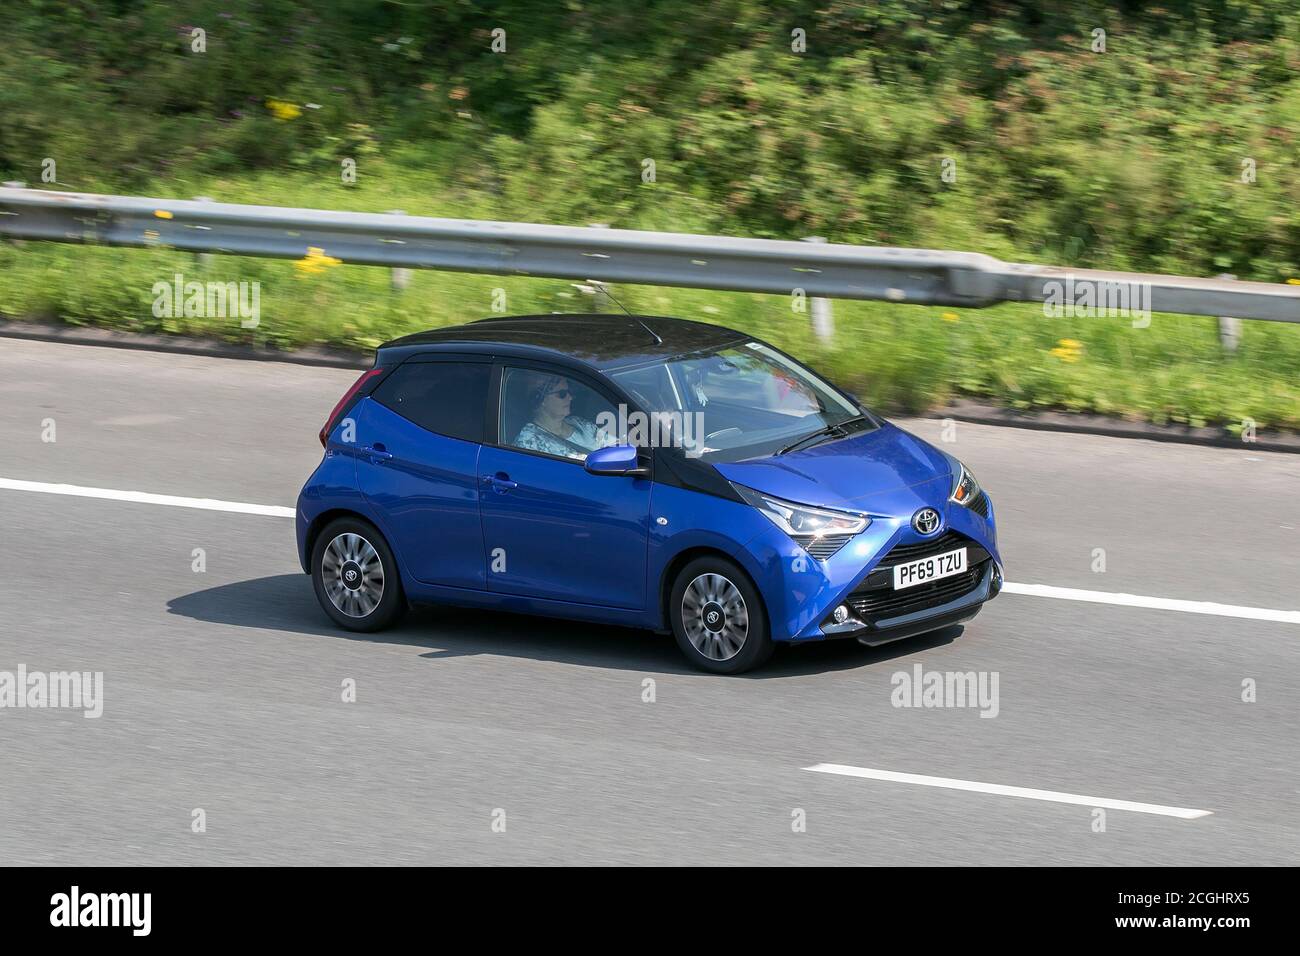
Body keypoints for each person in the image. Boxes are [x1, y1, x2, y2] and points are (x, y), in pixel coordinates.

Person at [512, 372, 607, 459]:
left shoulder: (578, 422)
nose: (570, 397)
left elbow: (612, 443)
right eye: (562, 394)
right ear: (542, 399)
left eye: (569, 392)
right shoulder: (528, 442)